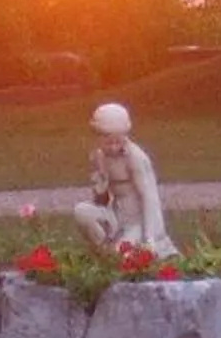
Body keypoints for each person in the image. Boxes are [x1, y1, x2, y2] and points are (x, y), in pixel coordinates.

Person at [72, 101, 176, 256]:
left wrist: (150, 238)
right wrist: (100, 190)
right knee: (81, 211)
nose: (113, 147)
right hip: (115, 215)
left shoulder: (135, 157)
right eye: (108, 142)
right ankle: (102, 252)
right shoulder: (99, 156)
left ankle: (116, 253)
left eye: (118, 142)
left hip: (137, 221)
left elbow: (149, 198)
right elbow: (102, 200)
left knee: (123, 255)